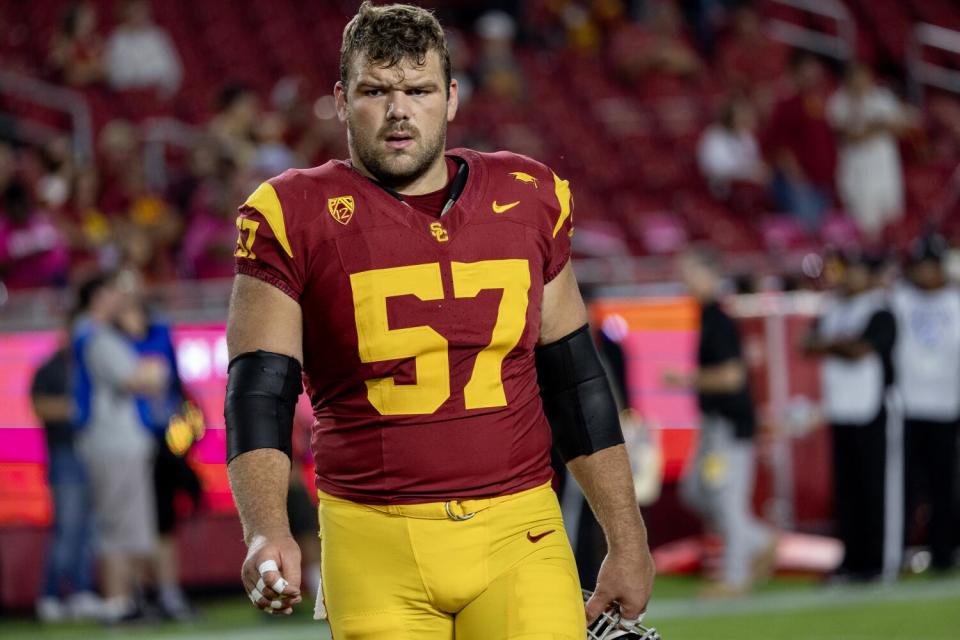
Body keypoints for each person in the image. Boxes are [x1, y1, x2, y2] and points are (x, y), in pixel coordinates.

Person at [224, 3, 655, 638]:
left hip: (520, 529)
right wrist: (266, 528)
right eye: (376, 90)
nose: (399, 110)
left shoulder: (528, 195)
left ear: (451, 98)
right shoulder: (292, 212)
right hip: (374, 539)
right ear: (342, 100)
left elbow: (574, 381)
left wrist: (627, 536)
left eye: (419, 90)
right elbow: (259, 391)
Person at [664, 248, 777, 597]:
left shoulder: (719, 319)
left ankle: (735, 576)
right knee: (697, 491)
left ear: (711, 275)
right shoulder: (707, 316)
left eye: (690, 272)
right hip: (714, 425)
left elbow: (731, 377)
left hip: (730, 424)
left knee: (727, 500)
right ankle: (760, 539)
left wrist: (685, 380)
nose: (684, 281)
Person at [71, 271, 169, 622]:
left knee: (130, 524)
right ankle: (117, 601)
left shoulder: (97, 335)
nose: (121, 300)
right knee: (117, 524)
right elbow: (138, 378)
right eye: (114, 293)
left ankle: (130, 599)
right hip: (111, 441)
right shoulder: (94, 336)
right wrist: (153, 369)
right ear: (98, 297)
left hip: (119, 440)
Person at [804, 251, 901, 582]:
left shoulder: (880, 308)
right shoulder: (833, 308)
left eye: (851, 269)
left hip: (873, 409)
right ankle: (852, 559)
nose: (843, 276)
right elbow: (806, 343)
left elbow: (861, 350)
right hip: (841, 409)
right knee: (847, 491)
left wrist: (831, 345)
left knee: (875, 488)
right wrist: (839, 344)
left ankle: (878, 561)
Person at [115, 296, 201, 620]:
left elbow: (174, 387)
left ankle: (167, 593)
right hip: (128, 442)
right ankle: (139, 594)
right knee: (133, 524)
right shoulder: (108, 340)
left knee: (164, 521)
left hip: (161, 439)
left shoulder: (159, 332)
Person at [891, 235, 959, 572]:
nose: (927, 274)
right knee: (904, 487)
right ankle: (899, 551)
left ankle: (944, 554)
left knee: (944, 486)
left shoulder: (955, 301)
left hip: (947, 406)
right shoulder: (899, 300)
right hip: (906, 407)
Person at [32, 335, 100, 623]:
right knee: (68, 529)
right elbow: (41, 407)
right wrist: (77, 408)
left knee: (91, 531)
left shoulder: (91, 366)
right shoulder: (49, 369)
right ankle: (51, 595)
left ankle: (81, 592)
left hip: (93, 454)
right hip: (64, 457)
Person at [827, 63, 912, 242]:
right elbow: (853, 137)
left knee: (892, 224)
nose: (861, 82)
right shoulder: (838, 102)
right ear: (848, 79)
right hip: (858, 177)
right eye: (856, 77)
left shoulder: (882, 97)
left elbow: (903, 126)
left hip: (885, 171)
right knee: (866, 230)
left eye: (864, 76)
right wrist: (881, 124)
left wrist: (876, 125)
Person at [765, 51, 837, 231]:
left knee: (822, 236)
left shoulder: (818, 103)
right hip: (801, 185)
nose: (814, 73)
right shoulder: (788, 105)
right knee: (806, 235)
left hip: (823, 182)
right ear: (796, 73)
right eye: (808, 69)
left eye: (815, 68)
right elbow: (780, 146)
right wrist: (796, 179)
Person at [104, 0, 182, 97]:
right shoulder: (117, 39)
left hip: (159, 97)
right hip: (129, 99)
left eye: (141, 10)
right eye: (134, 10)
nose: (139, 14)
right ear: (125, 12)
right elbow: (116, 76)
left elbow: (173, 71)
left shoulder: (158, 35)